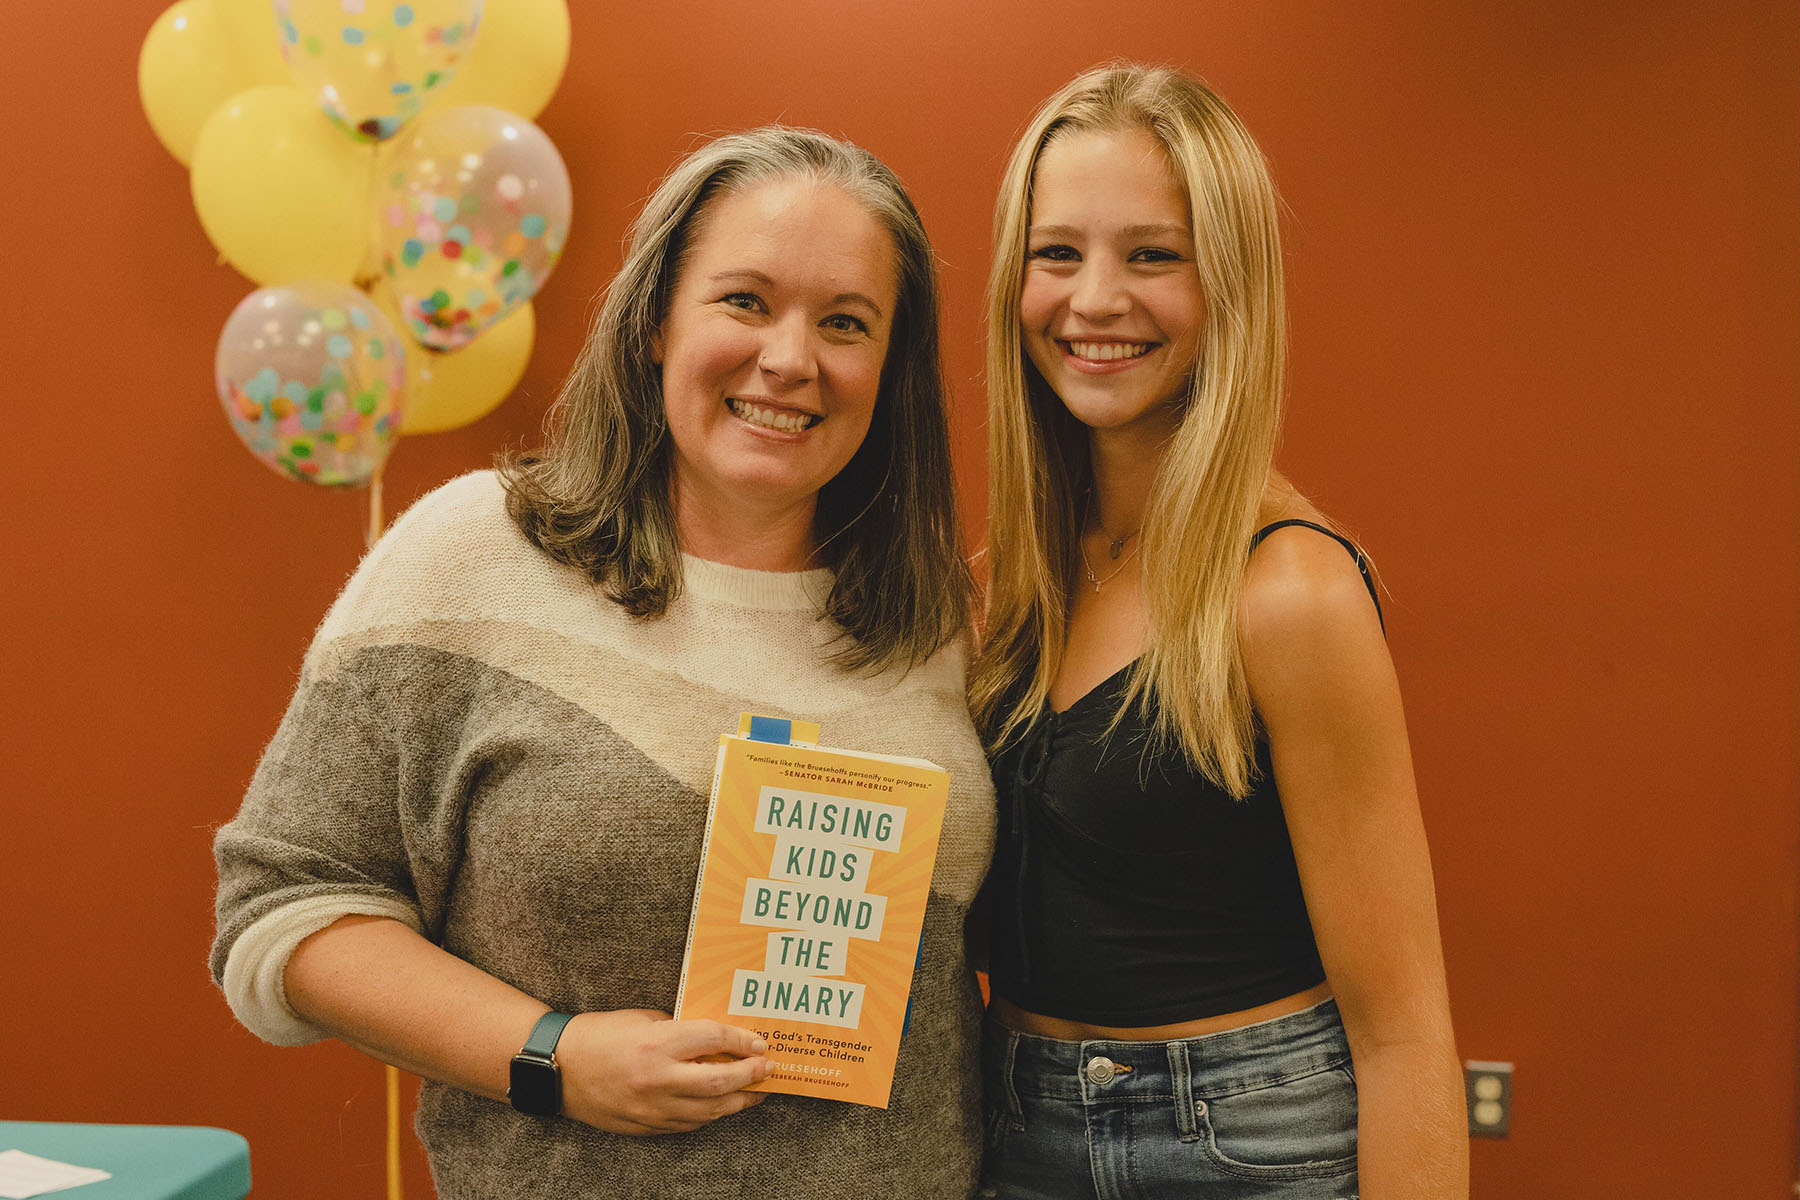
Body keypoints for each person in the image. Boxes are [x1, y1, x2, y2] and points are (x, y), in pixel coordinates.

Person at [211, 127, 995, 1199]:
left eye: (846, 323)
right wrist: (552, 1057)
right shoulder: (471, 556)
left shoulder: (935, 622)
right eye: (745, 301)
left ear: (890, 372)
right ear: (654, 325)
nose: (790, 359)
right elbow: (286, 905)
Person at [969, 65, 1467, 1198]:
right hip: (1014, 1132)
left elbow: (1403, 1037)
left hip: (1244, 1145)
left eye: (1153, 255)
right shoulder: (1012, 585)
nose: (1095, 299)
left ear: (1229, 285)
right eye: (1058, 254)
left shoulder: (1291, 590)